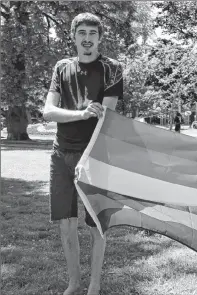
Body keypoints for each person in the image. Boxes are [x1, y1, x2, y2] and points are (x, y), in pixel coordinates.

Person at [42, 13, 123, 295]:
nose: (87, 38)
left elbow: (106, 118)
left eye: (92, 33)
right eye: (82, 33)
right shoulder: (62, 67)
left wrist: (88, 157)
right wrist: (81, 113)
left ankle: (94, 284)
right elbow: (48, 111)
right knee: (66, 224)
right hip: (60, 154)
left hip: (96, 156)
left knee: (96, 224)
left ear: (99, 38)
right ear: (74, 37)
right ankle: (74, 283)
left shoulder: (112, 68)